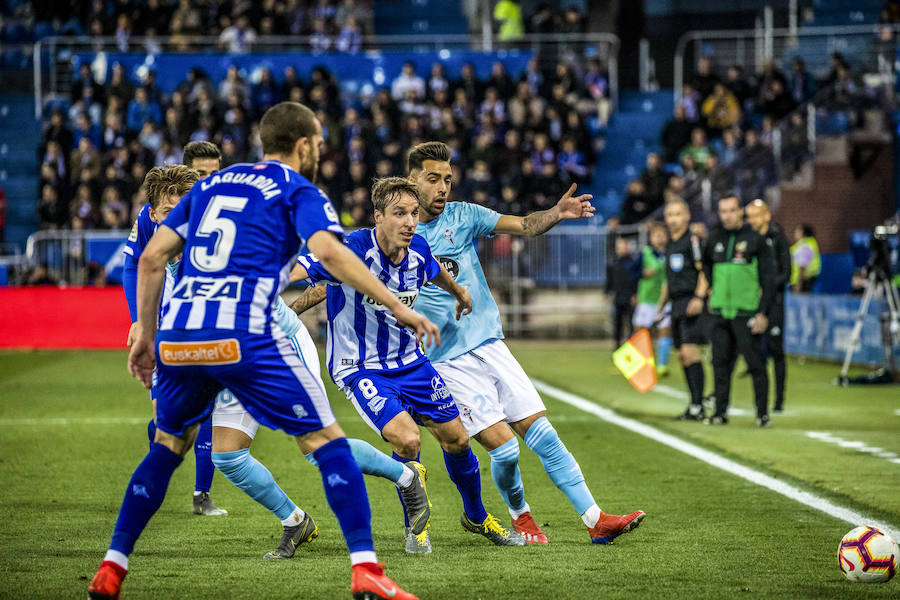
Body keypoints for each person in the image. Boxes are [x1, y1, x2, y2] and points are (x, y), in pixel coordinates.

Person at [88, 102, 431, 600]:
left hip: (184, 334)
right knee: (326, 445)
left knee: (167, 447)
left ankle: (112, 569)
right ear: (304, 145)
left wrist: (144, 330)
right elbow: (332, 253)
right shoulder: (296, 188)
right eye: (317, 141)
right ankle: (367, 569)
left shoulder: (204, 187)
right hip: (249, 331)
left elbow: (152, 257)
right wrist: (397, 307)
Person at [408, 141, 645, 545]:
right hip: (447, 360)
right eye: (433, 179)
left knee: (545, 435)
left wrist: (556, 213)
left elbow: (523, 225)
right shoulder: (398, 232)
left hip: (490, 344)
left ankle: (595, 519)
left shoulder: (464, 215)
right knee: (505, 451)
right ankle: (521, 518)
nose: (443, 187)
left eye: (448, 179)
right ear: (411, 181)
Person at [291, 176, 525, 553]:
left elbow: (434, 269)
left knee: (459, 439)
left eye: (414, 213)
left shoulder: (417, 249)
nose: (410, 222)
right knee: (407, 437)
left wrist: (460, 292)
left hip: (412, 362)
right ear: (378, 216)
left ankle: (476, 516)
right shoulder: (349, 248)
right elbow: (303, 273)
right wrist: (272, 300)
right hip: (361, 366)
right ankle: (414, 529)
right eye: (399, 213)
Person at [122, 164, 226, 518]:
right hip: (167, 332)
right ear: (154, 214)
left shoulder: (216, 220)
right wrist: (139, 322)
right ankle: (154, 480)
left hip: (211, 331)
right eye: (170, 212)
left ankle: (201, 494)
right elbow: (132, 264)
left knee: (205, 414)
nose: (181, 219)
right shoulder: (148, 224)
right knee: (171, 423)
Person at [701, 195, 776, 427]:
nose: (727, 215)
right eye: (723, 211)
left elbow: (769, 279)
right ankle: (720, 412)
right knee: (720, 364)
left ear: (740, 211)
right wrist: (714, 288)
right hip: (720, 312)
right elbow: (705, 264)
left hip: (747, 313)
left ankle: (762, 413)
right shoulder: (713, 239)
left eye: (732, 210)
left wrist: (763, 312)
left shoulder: (755, 240)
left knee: (755, 363)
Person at [657, 199, 708, 420]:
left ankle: (698, 405)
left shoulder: (693, 240)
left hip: (691, 301)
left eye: (678, 214)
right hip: (676, 304)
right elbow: (668, 280)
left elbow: (703, 270)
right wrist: (660, 307)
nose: (673, 219)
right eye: (670, 215)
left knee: (690, 352)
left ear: (686, 216)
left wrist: (699, 297)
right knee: (681, 356)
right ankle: (694, 404)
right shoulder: (670, 245)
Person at [745, 200, 791, 412]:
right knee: (753, 351)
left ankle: (779, 400)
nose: (752, 220)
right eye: (749, 216)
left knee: (776, 350)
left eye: (756, 215)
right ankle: (760, 401)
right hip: (751, 302)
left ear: (766, 216)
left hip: (774, 303)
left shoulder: (778, 238)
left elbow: (786, 273)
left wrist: (767, 286)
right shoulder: (746, 240)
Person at [633, 222, 673, 376]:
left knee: (664, 331)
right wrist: (643, 274)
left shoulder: (670, 253)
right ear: (651, 238)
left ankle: (662, 365)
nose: (659, 238)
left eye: (662, 235)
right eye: (656, 235)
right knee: (641, 333)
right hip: (646, 299)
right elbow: (632, 273)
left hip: (664, 300)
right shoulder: (645, 253)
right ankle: (641, 367)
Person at [608, 236, 639, 347]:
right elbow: (610, 280)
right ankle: (617, 348)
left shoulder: (633, 263)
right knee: (618, 324)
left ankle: (631, 348)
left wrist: (635, 294)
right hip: (618, 298)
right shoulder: (613, 263)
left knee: (631, 324)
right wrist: (606, 293)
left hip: (630, 297)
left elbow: (636, 280)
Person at [790, 223, 820, 293]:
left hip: (803, 281)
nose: (795, 233)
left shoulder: (805, 245)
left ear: (802, 232)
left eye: (797, 230)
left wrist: (798, 284)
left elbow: (802, 265)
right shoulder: (805, 244)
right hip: (803, 280)